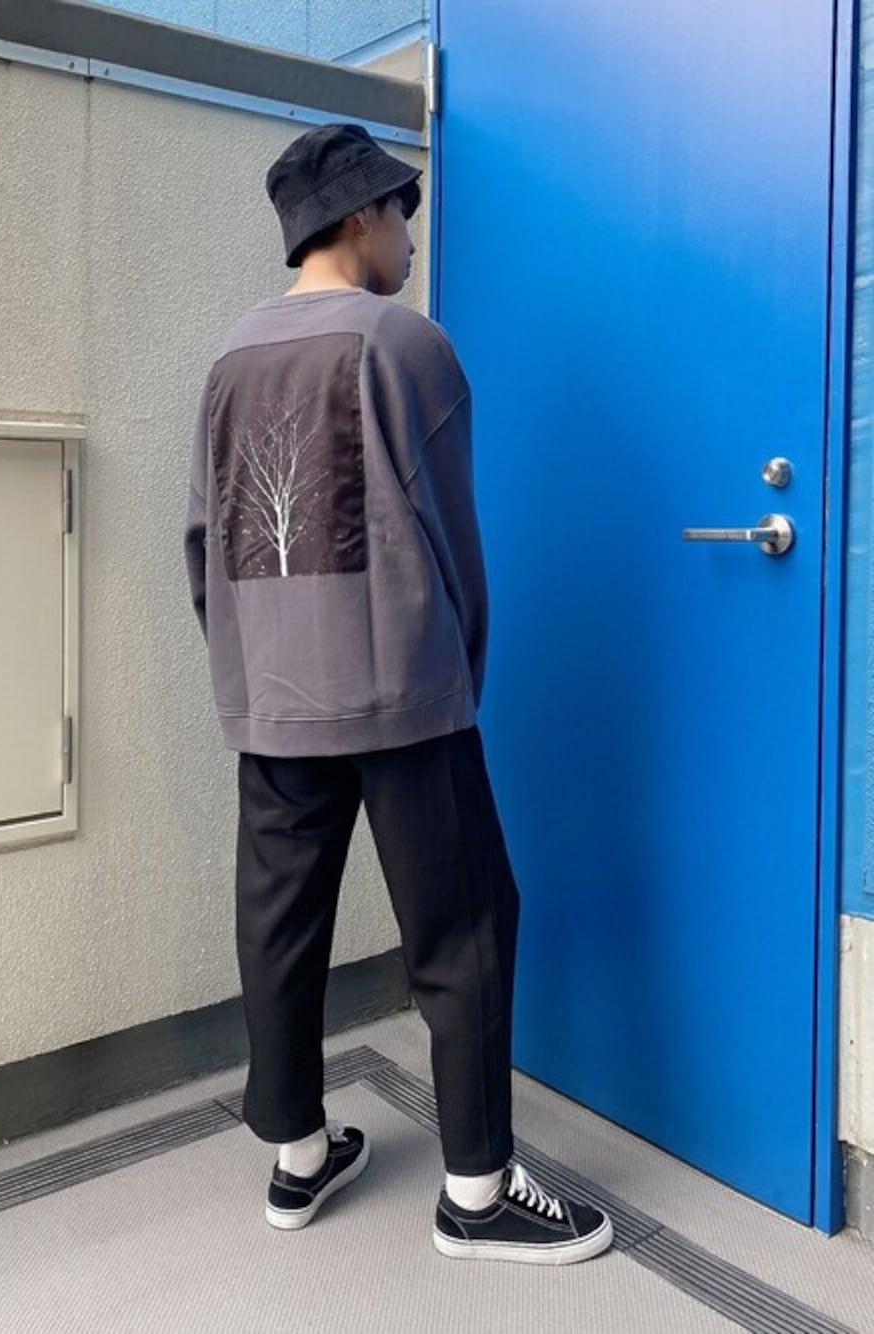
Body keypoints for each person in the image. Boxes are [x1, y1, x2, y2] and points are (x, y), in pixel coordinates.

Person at [184, 122, 613, 1265]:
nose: (411, 241)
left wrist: (248, 670)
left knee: (279, 926)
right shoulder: (405, 344)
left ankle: (296, 1156)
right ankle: (476, 1191)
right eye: (400, 214)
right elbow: (449, 536)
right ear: (358, 218)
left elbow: (203, 543)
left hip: (272, 696)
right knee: (464, 922)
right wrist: (458, 667)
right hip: (399, 691)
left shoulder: (228, 361)